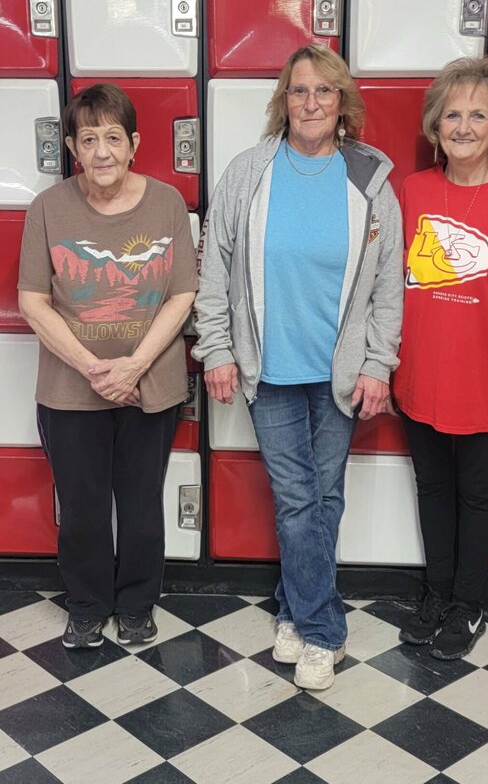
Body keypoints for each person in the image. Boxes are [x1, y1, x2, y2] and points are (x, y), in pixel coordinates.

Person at [193, 44, 403, 690]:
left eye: (323, 91)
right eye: (298, 91)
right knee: (296, 497)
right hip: (271, 369)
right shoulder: (248, 172)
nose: (309, 102)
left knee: (324, 496)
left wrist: (378, 364)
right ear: (282, 101)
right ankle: (323, 631)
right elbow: (215, 266)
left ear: (342, 104)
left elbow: (387, 287)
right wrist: (218, 347)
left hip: (337, 374)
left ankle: (292, 609)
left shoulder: (368, 180)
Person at [18, 83, 197, 649]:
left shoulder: (167, 203)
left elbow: (181, 294)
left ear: (134, 144)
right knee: (83, 505)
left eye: (113, 138)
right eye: (89, 138)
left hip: (152, 384)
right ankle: (88, 605)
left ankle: (139, 603)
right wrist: (95, 367)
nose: (102, 152)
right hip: (71, 390)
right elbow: (32, 300)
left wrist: (134, 366)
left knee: (142, 503)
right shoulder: (49, 207)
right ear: (72, 146)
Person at [394, 57, 488, 659]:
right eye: (452, 114)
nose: (463, 126)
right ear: (435, 126)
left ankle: (467, 606)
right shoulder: (413, 191)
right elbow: (389, 289)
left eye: (477, 114)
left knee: (477, 497)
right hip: (420, 380)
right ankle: (435, 595)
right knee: (432, 489)